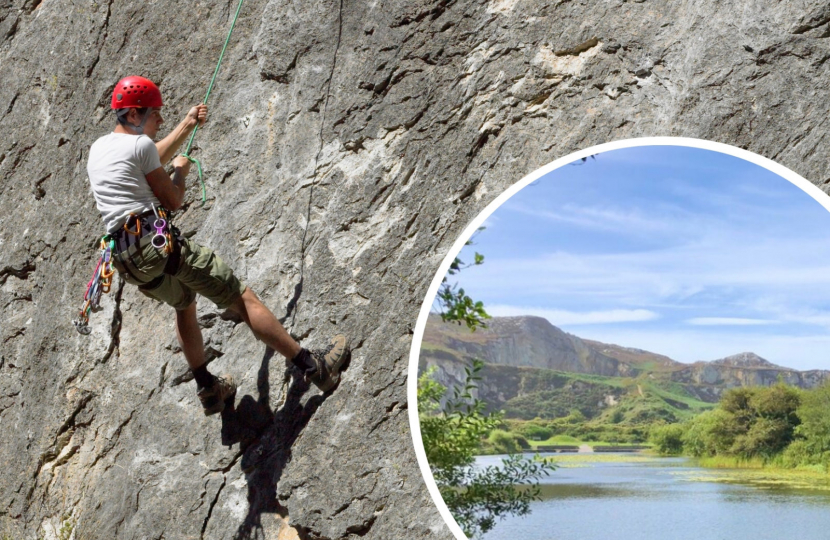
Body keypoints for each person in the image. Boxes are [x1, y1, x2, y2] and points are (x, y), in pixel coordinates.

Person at [86, 75, 349, 415]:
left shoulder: (100, 148)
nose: (160, 120)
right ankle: (316, 368)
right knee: (241, 298)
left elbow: (146, 158)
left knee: (184, 303)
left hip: (126, 261)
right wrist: (180, 172)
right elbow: (174, 198)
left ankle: (207, 388)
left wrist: (186, 125)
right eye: (155, 115)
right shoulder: (141, 147)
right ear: (134, 115)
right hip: (156, 246)